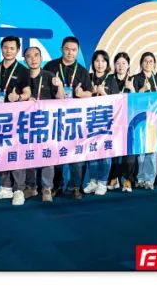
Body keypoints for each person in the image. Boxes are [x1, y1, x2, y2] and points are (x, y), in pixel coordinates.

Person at [45, 36, 93, 200]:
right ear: (61, 49)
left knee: (76, 154)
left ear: (77, 51)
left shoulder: (82, 71)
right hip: (54, 118)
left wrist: (82, 94)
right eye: (67, 49)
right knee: (56, 153)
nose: (70, 53)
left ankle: (75, 186)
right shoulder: (51, 67)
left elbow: (90, 93)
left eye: (73, 50)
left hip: (75, 119)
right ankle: (57, 186)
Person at [0, 36, 29, 206]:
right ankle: (5, 187)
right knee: (0, 150)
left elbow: (27, 93)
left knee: (15, 151)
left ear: (17, 50)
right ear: (1, 49)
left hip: (16, 118)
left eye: (12, 48)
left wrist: (18, 97)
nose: (8, 51)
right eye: (5, 47)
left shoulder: (23, 70)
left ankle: (19, 190)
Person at [22, 46, 64, 203]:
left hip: (47, 123)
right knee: (29, 154)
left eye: (36, 55)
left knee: (47, 155)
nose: (33, 59)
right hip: (26, 123)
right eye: (29, 56)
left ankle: (47, 188)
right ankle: (31, 187)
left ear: (41, 58)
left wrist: (60, 86)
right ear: (25, 60)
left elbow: (60, 99)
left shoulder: (49, 76)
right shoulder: (22, 76)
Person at [82, 50, 116, 196]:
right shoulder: (87, 77)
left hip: (106, 121)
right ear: (93, 63)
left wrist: (103, 93)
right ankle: (93, 181)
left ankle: (102, 182)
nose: (100, 64)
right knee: (92, 152)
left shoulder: (112, 79)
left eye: (103, 61)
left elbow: (116, 102)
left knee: (105, 153)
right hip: (90, 120)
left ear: (107, 64)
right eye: (97, 61)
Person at [132, 52, 157, 190]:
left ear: (154, 64)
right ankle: (140, 178)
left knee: (151, 150)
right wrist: (143, 89)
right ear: (141, 63)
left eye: (151, 61)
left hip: (154, 119)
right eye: (145, 61)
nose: (148, 63)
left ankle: (150, 179)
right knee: (140, 150)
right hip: (139, 118)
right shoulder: (135, 78)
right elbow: (132, 98)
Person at [107, 52, 137, 192]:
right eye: (118, 63)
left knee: (129, 151)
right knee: (113, 150)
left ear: (128, 65)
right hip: (112, 120)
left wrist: (132, 88)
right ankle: (114, 178)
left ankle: (128, 180)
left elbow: (138, 101)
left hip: (129, 119)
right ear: (114, 65)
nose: (121, 66)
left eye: (124, 63)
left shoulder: (133, 79)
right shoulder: (109, 79)